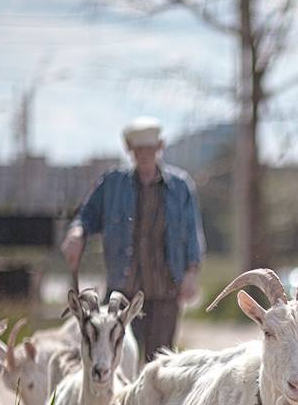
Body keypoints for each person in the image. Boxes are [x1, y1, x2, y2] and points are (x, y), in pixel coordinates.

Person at [61, 116, 205, 362]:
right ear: (129, 150)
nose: (145, 155)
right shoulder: (113, 184)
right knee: (115, 358)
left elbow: (193, 234)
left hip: (165, 292)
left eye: (150, 149)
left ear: (160, 147)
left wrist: (192, 273)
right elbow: (86, 216)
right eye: (139, 150)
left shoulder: (181, 187)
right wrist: (77, 233)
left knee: (159, 363)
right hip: (122, 293)